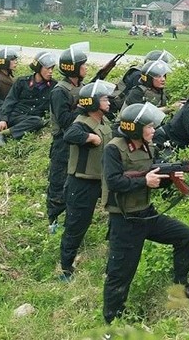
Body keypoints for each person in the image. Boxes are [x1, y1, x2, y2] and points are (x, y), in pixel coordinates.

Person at [102, 102, 189, 323]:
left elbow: (155, 177)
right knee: (120, 273)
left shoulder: (149, 147)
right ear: (135, 128)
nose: (154, 129)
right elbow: (114, 181)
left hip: (147, 214)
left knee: (186, 236)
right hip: (125, 220)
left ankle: (181, 286)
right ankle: (112, 320)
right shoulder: (114, 149)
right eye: (149, 126)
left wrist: (171, 178)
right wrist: (144, 181)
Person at [58, 79, 116, 280]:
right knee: (76, 225)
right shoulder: (81, 123)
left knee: (117, 216)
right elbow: (70, 135)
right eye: (104, 99)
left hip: (103, 180)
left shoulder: (104, 121)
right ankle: (66, 269)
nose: (108, 101)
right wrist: (90, 138)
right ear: (92, 103)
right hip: (82, 182)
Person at [47, 44, 90, 232]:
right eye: (83, 65)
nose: (86, 69)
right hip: (62, 143)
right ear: (73, 68)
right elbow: (64, 120)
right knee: (58, 181)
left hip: (79, 140)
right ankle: (54, 220)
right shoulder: (60, 91)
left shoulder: (82, 87)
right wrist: (84, 108)